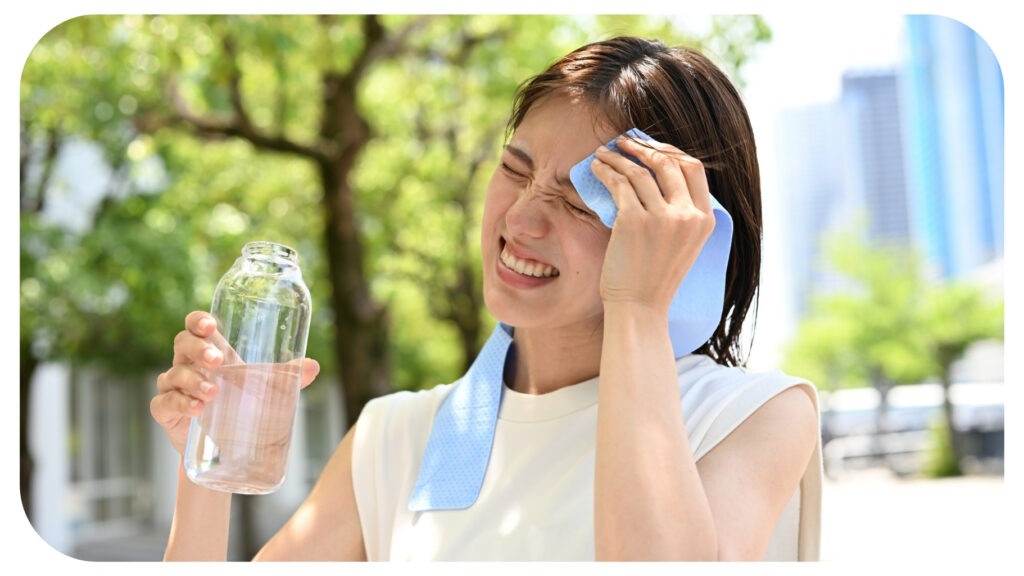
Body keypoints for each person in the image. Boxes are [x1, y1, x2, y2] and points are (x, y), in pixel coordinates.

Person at [151, 36, 822, 561]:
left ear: (685, 235)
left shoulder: (751, 420)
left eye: (580, 201)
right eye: (514, 170)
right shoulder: (396, 437)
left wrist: (639, 309)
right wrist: (203, 454)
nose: (522, 221)